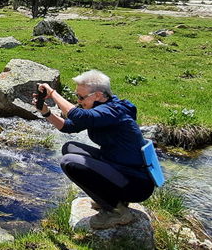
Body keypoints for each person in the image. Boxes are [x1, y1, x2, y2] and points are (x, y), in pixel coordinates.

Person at [36, 70, 155, 229]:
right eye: (76, 96)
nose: (78, 101)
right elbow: (67, 126)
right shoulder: (101, 110)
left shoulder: (113, 111)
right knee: (70, 148)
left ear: (98, 95)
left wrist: (52, 93)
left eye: (81, 97)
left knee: (69, 162)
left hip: (136, 183)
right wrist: (45, 111)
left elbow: (79, 116)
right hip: (119, 168)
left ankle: (117, 211)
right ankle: (112, 199)